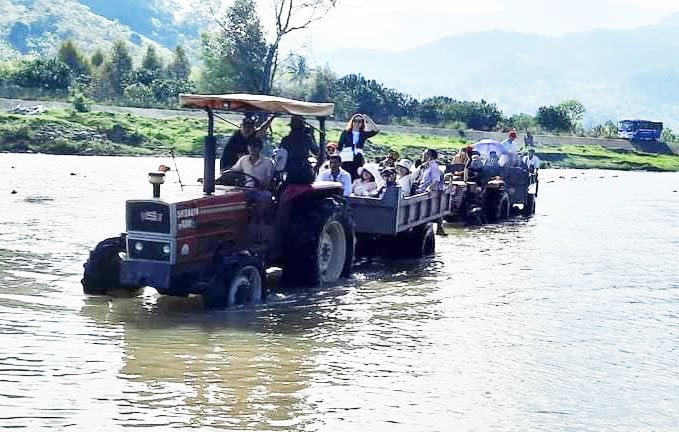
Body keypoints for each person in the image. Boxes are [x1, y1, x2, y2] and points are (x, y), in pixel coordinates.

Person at [337, 114, 380, 179]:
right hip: (346, 157)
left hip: (358, 158)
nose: (357, 123)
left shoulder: (363, 133)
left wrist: (368, 119)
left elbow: (376, 130)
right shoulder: (346, 132)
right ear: (352, 122)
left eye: (359, 121)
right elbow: (339, 146)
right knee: (346, 175)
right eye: (355, 121)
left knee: (357, 176)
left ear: (362, 123)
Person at [280, 115, 319, 184]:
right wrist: (312, 135)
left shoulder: (285, 139)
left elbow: (281, 153)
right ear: (303, 127)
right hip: (304, 171)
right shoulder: (307, 138)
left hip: (291, 170)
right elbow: (316, 151)